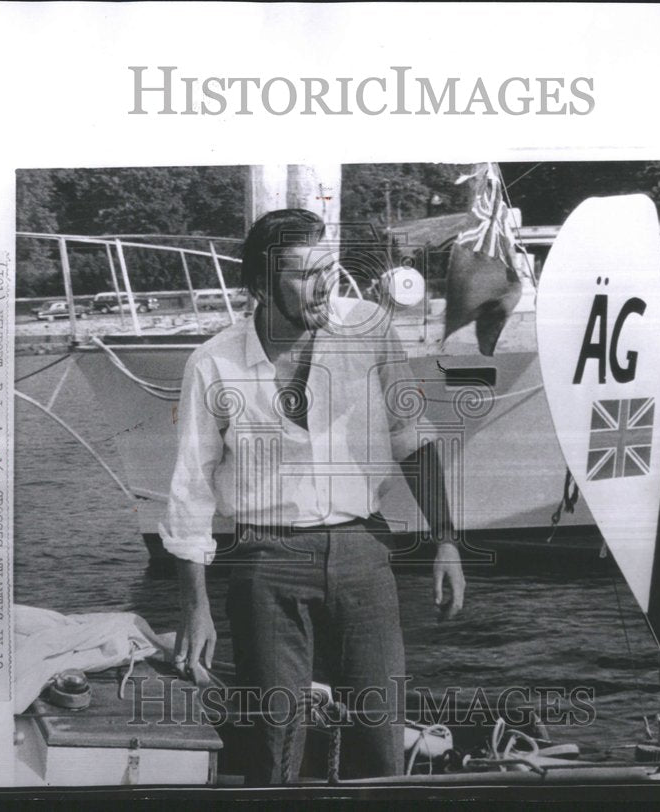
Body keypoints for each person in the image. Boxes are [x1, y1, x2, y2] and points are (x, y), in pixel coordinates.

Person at [159, 208, 465, 784]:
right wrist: (194, 608)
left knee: (381, 735)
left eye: (329, 268)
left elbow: (411, 437)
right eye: (304, 274)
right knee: (275, 744)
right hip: (264, 563)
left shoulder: (371, 327)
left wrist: (446, 542)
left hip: (362, 556)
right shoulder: (212, 363)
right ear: (260, 287)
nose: (324, 283)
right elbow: (191, 491)